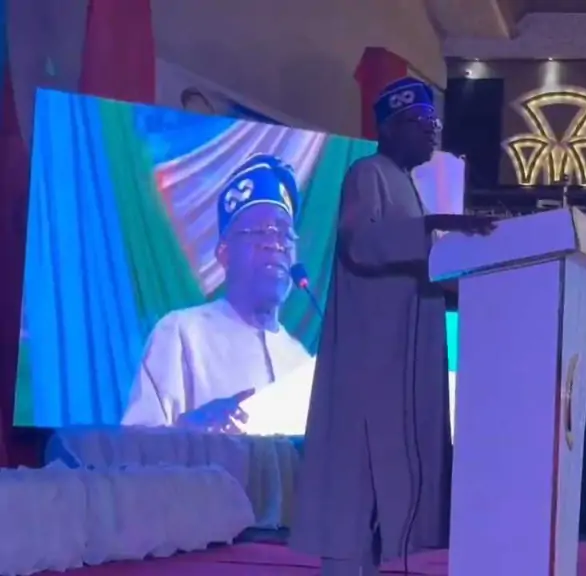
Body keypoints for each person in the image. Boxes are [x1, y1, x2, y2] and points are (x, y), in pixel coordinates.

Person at [289, 77, 495, 576]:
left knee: (385, 502)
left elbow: (416, 266)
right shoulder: (368, 174)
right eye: (422, 123)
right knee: (354, 495)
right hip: (368, 370)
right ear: (389, 127)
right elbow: (362, 244)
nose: (433, 133)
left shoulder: (406, 184)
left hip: (398, 369)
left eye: (435, 123)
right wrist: (436, 226)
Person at [121, 154, 312, 431]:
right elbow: (134, 445)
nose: (275, 243)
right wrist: (190, 433)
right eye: (260, 231)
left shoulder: (301, 362)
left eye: (284, 233)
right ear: (224, 253)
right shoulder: (180, 334)